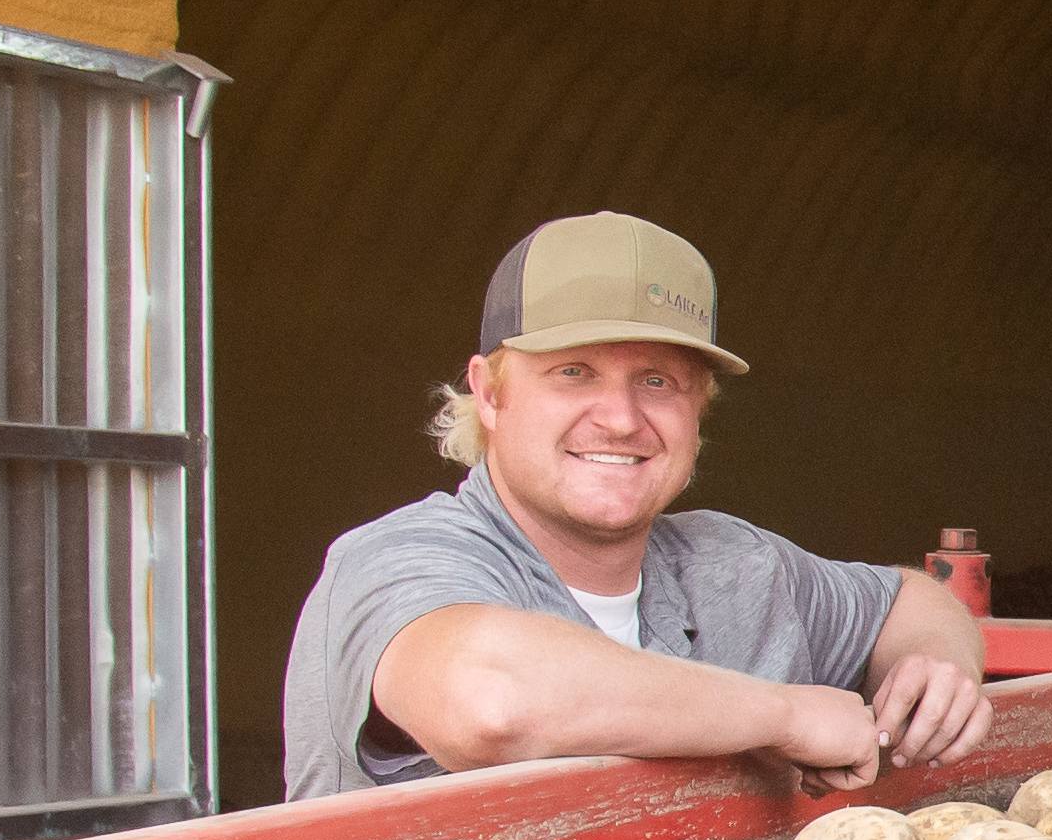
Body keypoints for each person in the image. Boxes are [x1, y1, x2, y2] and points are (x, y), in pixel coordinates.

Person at [277, 211, 993, 803]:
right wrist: (783, 714)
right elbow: (491, 700)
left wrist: (935, 665)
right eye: (573, 373)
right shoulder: (398, 558)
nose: (619, 419)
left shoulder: (733, 565)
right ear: (490, 393)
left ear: (699, 409)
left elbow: (913, 599)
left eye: (657, 380)